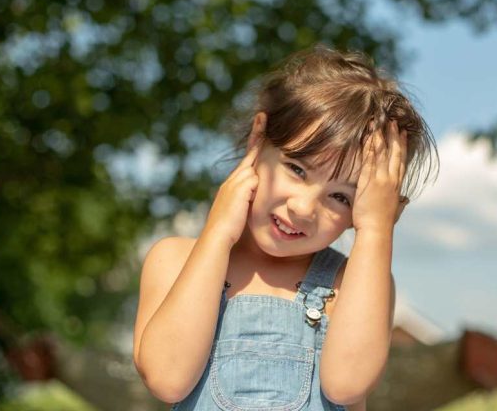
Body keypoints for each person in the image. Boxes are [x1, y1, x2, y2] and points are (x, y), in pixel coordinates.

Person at [132, 44, 438, 411]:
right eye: (297, 169)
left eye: (341, 198)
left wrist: (376, 231)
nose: (304, 208)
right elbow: (167, 379)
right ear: (259, 138)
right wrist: (217, 235)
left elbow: (347, 385)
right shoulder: (175, 260)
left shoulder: (349, 284)